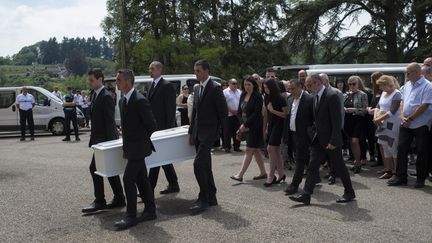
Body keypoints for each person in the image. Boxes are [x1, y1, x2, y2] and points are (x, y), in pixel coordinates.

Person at [289, 74, 355, 205]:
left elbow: (337, 121)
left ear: (317, 83)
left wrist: (334, 140)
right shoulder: (315, 97)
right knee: (313, 166)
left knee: (339, 166)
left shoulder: (332, 96)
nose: (307, 88)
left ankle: (349, 192)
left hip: (331, 140)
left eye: (308, 85)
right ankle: (306, 194)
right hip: (318, 139)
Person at [114, 69, 157, 230]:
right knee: (142, 179)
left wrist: (139, 138)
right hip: (130, 147)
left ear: (128, 82)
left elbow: (151, 125)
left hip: (139, 148)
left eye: (119, 80)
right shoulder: (122, 100)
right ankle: (150, 210)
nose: (116, 83)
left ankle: (131, 216)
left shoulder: (139, 100)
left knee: (128, 179)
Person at [81, 69, 125, 214]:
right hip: (99, 140)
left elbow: (109, 122)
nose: (90, 82)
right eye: (89, 80)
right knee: (108, 169)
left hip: (105, 141)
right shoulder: (95, 95)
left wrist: (109, 144)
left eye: (92, 80)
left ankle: (100, 200)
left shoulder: (105, 96)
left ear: (100, 79)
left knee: (94, 169)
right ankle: (119, 197)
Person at [188, 60, 228, 214]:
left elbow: (223, 114)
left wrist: (222, 137)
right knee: (205, 166)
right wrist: (191, 132)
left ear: (206, 71)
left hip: (209, 134)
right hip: (198, 133)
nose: (196, 73)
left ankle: (203, 198)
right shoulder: (197, 88)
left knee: (198, 165)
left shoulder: (215, 88)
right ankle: (212, 196)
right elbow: (195, 113)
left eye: (198, 71)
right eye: (195, 70)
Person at [388, 63, 432, 188]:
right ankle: (401, 177)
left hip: (421, 124)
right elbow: (402, 101)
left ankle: (420, 178)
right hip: (406, 123)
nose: (406, 75)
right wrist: (402, 116)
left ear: (418, 72)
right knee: (401, 149)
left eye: (409, 73)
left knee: (421, 151)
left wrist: (410, 118)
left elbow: (424, 105)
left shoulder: (428, 86)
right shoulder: (407, 85)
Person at [146, 61, 180, 194]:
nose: (150, 70)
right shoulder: (151, 85)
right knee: (162, 158)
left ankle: (149, 187)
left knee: (157, 157)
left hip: (162, 129)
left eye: (152, 68)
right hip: (153, 128)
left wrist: (168, 130)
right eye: (149, 68)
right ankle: (173, 184)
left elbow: (170, 110)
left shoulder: (166, 86)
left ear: (159, 70)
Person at [230, 76, 267, 182]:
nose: (247, 87)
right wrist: (242, 124)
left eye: (249, 84)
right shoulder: (243, 94)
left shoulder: (258, 96)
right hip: (245, 127)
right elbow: (239, 112)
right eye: (245, 84)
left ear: (253, 85)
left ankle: (240, 175)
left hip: (255, 127)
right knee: (255, 150)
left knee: (249, 149)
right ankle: (263, 173)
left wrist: (246, 125)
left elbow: (256, 114)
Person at [283, 79, 314, 195]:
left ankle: (294, 185)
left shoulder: (309, 99)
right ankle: (315, 178)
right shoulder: (290, 99)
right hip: (293, 134)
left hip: (305, 135)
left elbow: (314, 118)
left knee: (300, 159)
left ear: (300, 87)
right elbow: (288, 118)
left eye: (293, 89)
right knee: (303, 158)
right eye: (289, 89)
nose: (291, 91)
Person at [373, 75, 401, 179]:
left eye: (381, 85)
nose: (380, 88)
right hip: (382, 124)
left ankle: (396, 172)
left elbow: (393, 110)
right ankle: (388, 170)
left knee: (393, 147)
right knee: (385, 147)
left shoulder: (397, 94)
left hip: (392, 124)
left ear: (387, 84)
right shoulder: (384, 93)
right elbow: (378, 107)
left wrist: (378, 119)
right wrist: (376, 117)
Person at [320, 73, 345, 184]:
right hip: (325, 128)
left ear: (327, 80)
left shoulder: (336, 93)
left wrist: (339, 128)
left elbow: (340, 112)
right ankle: (332, 171)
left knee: (335, 152)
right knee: (328, 152)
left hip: (335, 128)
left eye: (321, 80)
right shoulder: (321, 92)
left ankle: (335, 174)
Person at [263, 79, 287, 187]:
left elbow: (285, 114)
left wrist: (272, 110)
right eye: (264, 87)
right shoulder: (266, 97)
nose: (265, 89)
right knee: (275, 150)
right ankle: (281, 174)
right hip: (272, 125)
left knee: (270, 148)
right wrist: (265, 127)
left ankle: (271, 176)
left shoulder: (281, 98)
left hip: (280, 125)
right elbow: (266, 115)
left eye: (267, 87)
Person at [344, 76, 368, 173]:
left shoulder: (362, 94)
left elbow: (365, 110)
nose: (352, 86)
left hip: (358, 119)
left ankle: (358, 162)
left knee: (355, 141)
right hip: (348, 120)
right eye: (350, 84)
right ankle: (356, 161)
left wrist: (354, 110)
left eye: (354, 84)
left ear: (358, 84)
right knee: (351, 142)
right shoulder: (345, 95)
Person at [367, 72, 384, 168]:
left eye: (372, 80)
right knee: (377, 141)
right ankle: (380, 160)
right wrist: (369, 108)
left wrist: (374, 110)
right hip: (374, 119)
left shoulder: (383, 92)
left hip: (381, 120)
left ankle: (384, 162)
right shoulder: (375, 92)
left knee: (381, 142)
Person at [222, 78, 242, 153]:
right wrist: (231, 110)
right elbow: (223, 104)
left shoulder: (239, 92)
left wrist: (238, 111)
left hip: (237, 115)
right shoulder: (225, 92)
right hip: (228, 115)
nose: (235, 85)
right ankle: (227, 147)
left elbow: (241, 102)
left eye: (236, 83)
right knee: (227, 132)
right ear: (229, 84)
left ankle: (237, 147)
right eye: (233, 83)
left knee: (237, 131)